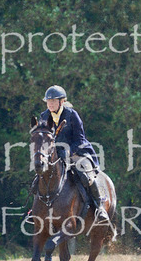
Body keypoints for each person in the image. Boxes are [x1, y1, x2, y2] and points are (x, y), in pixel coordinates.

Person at [38, 85, 109, 222]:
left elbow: (80, 139)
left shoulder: (71, 115)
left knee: (85, 174)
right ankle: (36, 210)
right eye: (48, 101)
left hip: (76, 151)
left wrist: (68, 150)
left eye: (53, 101)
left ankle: (100, 206)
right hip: (53, 154)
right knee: (40, 175)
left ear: (62, 101)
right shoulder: (44, 116)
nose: (50, 104)